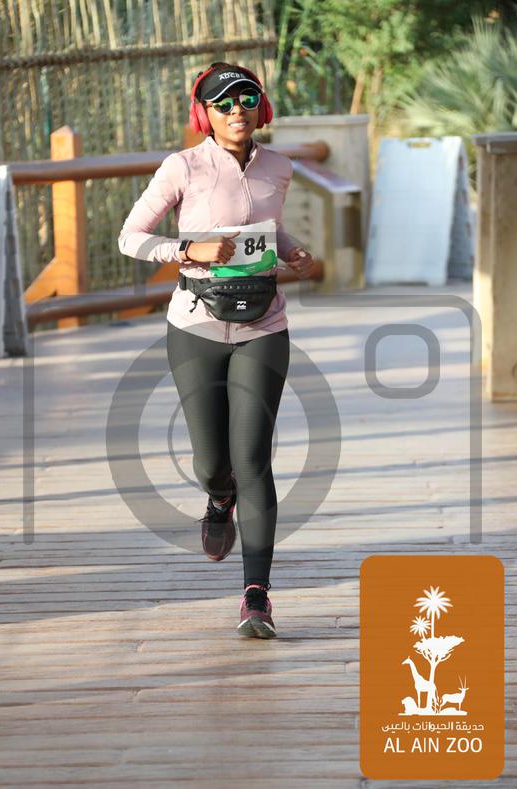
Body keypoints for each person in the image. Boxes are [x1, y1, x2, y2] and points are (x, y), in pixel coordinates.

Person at [118, 61, 314, 639]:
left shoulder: (279, 166)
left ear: (261, 107)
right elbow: (131, 236)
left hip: (265, 325)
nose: (236, 112)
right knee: (212, 464)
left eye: (247, 100)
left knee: (253, 458)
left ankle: (257, 596)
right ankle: (218, 497)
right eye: (223, 104)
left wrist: (293, 252)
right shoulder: (182, 166)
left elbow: (267, 229)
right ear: (204, 113)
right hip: (196, 324)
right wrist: (188, 250)